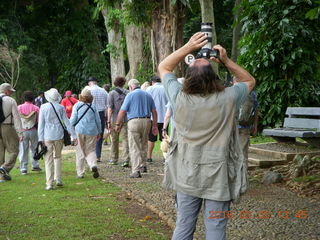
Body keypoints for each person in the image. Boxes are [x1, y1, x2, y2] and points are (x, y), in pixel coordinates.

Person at [158, 32, 255, 240]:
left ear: (188, 78)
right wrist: (226, 60)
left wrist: (189, 46)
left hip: (186, 172)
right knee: (216, 228)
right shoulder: (228, 98)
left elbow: (164, 67)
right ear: (214, 76)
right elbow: (248, 80)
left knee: (183, 226)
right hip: (218, 174)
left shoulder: (178, 97)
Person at [115, 79, 158, 178]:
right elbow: (154, 111)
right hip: (147, 121)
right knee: (143, 144)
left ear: (130, 87)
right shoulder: (147, 95)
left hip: (134, 121)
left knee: (134, 146)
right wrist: (154, 125)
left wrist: (118, 124)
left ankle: (135, 170)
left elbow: (122, 111)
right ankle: (143, 165)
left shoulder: (130, 95)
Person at [38, 88, 77, 190]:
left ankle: (49, 183)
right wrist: (74, 135)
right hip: (59, 135)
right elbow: (67, 123)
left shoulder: (43, 107)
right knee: (58, 157)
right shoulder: (60, 107)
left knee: (48, 160)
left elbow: (41, 124)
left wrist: (40, 138)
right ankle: (58, 179)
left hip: (47, 136)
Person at [70, 87, 101, 179]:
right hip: (92, 131)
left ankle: (80, 173)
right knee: (91, 150)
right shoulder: (93, 107)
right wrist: (99, 131)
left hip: (79, 130)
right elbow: (98, 120)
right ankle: (92, 165)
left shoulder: (77, 106)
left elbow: (73, 120)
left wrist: (70, 131)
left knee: (80, 150)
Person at [0, 83, 23, 181]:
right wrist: (20, 132)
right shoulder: (11, 100)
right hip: (7, 126)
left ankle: (2, 176)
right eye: (10, 91)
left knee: (0, 152)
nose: (11, 93)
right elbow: (17, 118)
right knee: (14, 150)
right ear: (6, 91)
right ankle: (4, 168)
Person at [107, 76, 130, 167]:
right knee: (125, 140)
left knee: (114, 140)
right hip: (125, 119)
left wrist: (108, 121)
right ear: (123, 83)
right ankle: (126, 159)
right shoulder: (128, 93)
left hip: (114, 119)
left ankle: (114, 159)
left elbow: (110, 109)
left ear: (115, 83)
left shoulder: (111, 93)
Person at [18, 91, 41, 175]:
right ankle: (35, 165)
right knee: (34, 148)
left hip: (23, 131)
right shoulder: (36, 108)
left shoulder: (19, 108)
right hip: (33, 130)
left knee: (23, 150)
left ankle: (23, 168)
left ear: (24, 98)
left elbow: (17, 120)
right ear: (32, 98)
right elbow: (39, 120)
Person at [146, 76, 168, 163]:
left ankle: (149, 157)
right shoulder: (165, 88)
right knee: (164, 138)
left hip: (153, 117)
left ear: (152, 82)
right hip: (164, 117)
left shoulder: (149, 89)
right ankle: (165, 157)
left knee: (151, 138)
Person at [236, 83, 259, 166]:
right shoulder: (252, 93)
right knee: (243, 154)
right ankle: (243, 176)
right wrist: (255, 126)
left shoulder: (231, 91)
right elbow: (256, 110)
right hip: (245, 127)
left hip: (232, 127)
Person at [87, 77, 108, 162]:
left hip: (90, 113)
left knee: (90, 134)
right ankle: (98, 155)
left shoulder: (88, 90)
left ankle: (90, 154)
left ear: (90, 83)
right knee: (100, 134)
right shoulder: (103, 91)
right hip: (101, 113)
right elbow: (107, 104)